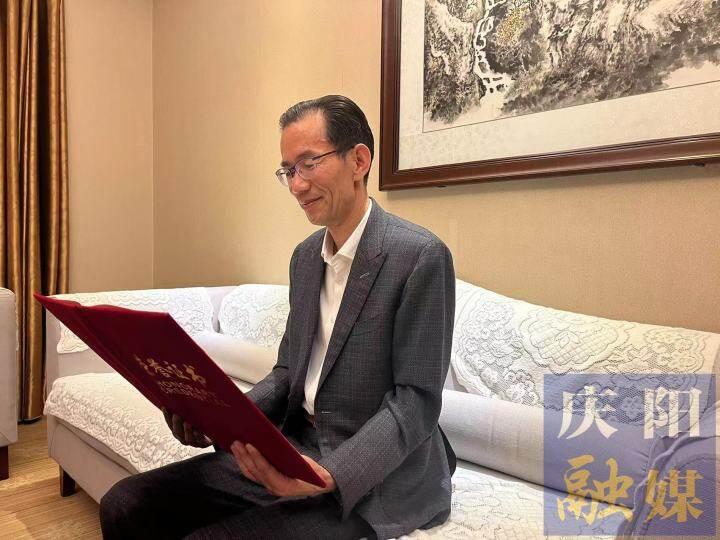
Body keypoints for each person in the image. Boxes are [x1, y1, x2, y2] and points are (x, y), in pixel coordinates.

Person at [100, 95, 456, 540]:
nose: (296, 186)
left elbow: (416, 402)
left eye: (308, 163)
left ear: (359, 160)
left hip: (374, 476)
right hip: (295, 447)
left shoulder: (419, 256)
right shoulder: (305, 259)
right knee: (125, 504)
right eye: (288, 170)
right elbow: (288, 372)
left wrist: (330, 474)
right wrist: (221, 419)